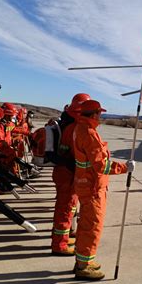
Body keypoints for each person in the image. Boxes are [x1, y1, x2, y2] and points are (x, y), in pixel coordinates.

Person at [72, 99, 135, 281]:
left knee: (86, 224)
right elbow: (101, 165)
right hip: (92, 187)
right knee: (92, 226)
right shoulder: (89, 133)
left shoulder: (81, 128)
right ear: (93, 115)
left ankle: (84, 260)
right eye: (99, 113)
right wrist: (125, 167)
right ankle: (83, 266)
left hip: (87, 184)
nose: (101, 116)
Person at [51, 93, 91, 256]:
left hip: (64, 172)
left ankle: (64, 236)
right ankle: (59, 245)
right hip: (68, 174)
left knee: (68, 207)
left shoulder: (67, 122)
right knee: (65, 209)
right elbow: (78, 154)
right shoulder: (74, 127)